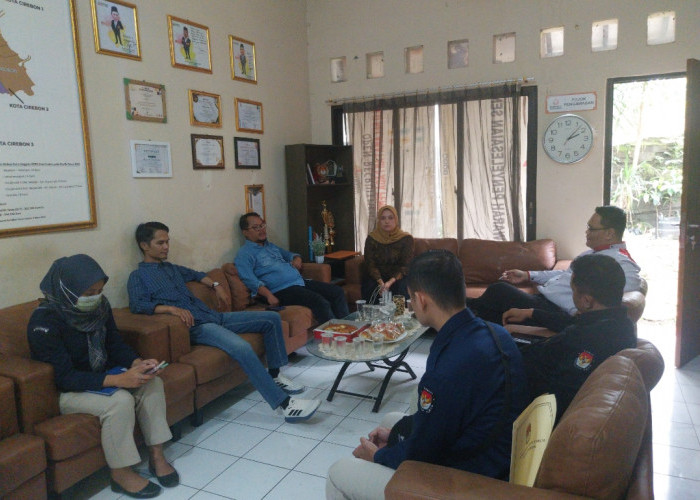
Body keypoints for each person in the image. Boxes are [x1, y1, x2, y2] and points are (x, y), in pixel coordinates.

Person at [326, 250, 529, 499]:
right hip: (496, 455)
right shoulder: (497, 333)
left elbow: (422, 452)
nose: (411, 304)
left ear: (421, 299)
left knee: (340, 472)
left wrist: (378, 456)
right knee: (391, 421)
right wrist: (396, 439)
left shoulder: (448, 367)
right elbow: (439, 425)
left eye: (410, 298)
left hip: (469, 478)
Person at [127, 221, 320, 423]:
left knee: (271, 318)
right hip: (197, 327)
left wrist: (216, 285)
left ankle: (275, 375)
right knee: (242, 347)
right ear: (144, 245)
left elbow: (198, 275)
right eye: (160, 243)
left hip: (213, 316)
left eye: (167, 242)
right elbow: (138, 305)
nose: (166, 247)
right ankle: (285, 405)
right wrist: (170, 309)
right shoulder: (138, 276)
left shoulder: (171, 268)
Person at [27, 254, 178, 498]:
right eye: (88, 293)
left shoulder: (100, 307)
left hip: (102, 376)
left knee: (152, 383)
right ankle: (120, 474)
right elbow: (64, 377)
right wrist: (118, 381)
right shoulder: (44, 321)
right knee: (120, 401)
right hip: (68, 390)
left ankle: (157, 456)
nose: (95, 297)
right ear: (67, 289)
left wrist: (138, 364)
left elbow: (115, 345)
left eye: (99, 291)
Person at [505, 254, 637, 422]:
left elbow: (556, 395)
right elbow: (573, 323)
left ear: (587, 301)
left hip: (519, 391)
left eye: (573, 291)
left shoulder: (583, 340)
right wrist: (532, 313)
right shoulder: (620, 324)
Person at [468, 205, 641, 325]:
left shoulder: (623, 263)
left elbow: (616, 295)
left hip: (557, 312)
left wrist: (574, 312)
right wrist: (528, 275)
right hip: (543, 300)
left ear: (610, 233)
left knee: (499, 291)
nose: (586, 232)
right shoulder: (591, 254)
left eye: (591, 228)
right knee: (491, 308)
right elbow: (565, 274)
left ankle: (465, 312)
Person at [235, 213, 349, 323]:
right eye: (256, 227)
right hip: (280, 290)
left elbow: (290, 255)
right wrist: (269, 295)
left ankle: (349, 328)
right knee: (320, 302)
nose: (261, 229)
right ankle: (335, 333)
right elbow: (249, 279)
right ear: (245, 232)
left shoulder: (270, 246)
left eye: (262, 225)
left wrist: (296, 258)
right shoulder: (244, 253)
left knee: (337, 292)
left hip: (299, 282)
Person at [361, 205, 414, 304]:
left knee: (402, 286)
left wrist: (389, 282)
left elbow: (405, 265)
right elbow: (370, 263)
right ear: (379, 221)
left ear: (396, 220)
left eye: (390, 218)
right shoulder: (372, 238)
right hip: (377, 277)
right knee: (370, 285)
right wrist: (381, 282)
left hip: (397, 277)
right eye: (383, 218)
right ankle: (371, 313)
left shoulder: (406, 239)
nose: (387, 221)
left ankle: (400, 313)